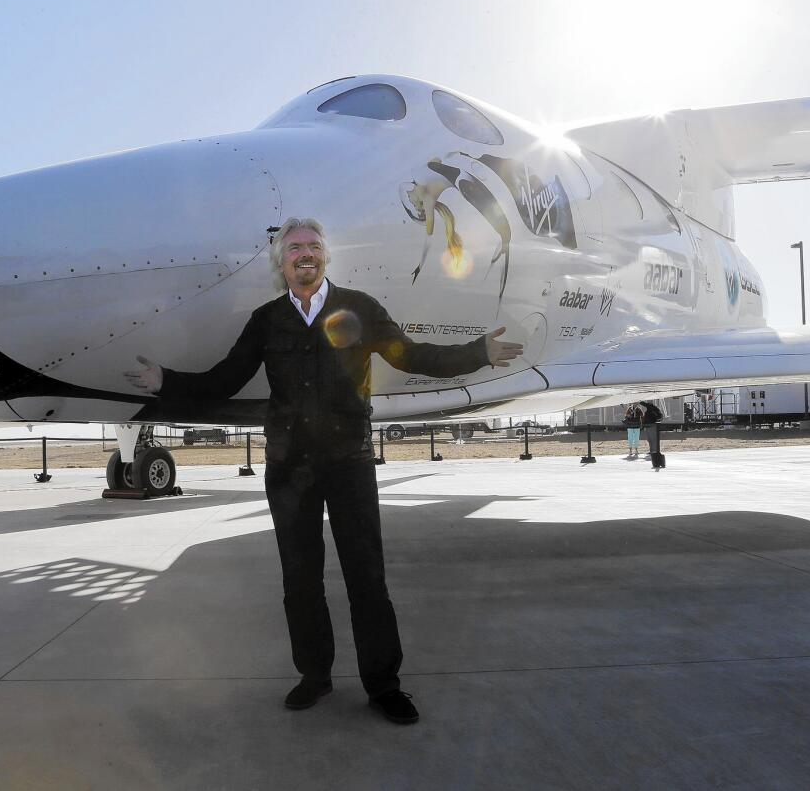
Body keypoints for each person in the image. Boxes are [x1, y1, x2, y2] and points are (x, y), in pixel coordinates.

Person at [125, 217, 523, 725]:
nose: (304, 254)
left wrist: (477, 353)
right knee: (300, 578)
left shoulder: (359, 308)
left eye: (312, 246)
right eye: (294, 248)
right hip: (289, 470)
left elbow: (411, 355)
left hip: (349, 463)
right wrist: (167, 380)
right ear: (281, 261)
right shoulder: (266, 321)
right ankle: (315, 676)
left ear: (325, 256)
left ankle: (383, 685)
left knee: (367, 577)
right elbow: (225, 379)